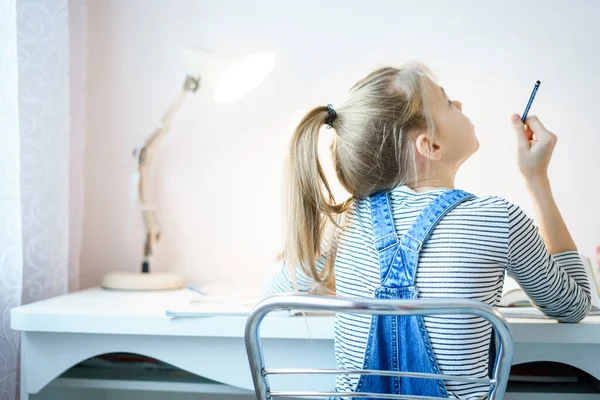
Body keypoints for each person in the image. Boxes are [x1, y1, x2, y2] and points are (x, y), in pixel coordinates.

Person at [263, 63, 591, 399]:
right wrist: (537, 179)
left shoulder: (347, 223)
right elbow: (573, 306)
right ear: (431, 146)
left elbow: (273, 293)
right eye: (447, 102)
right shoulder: (497, 218)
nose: (460, 105)